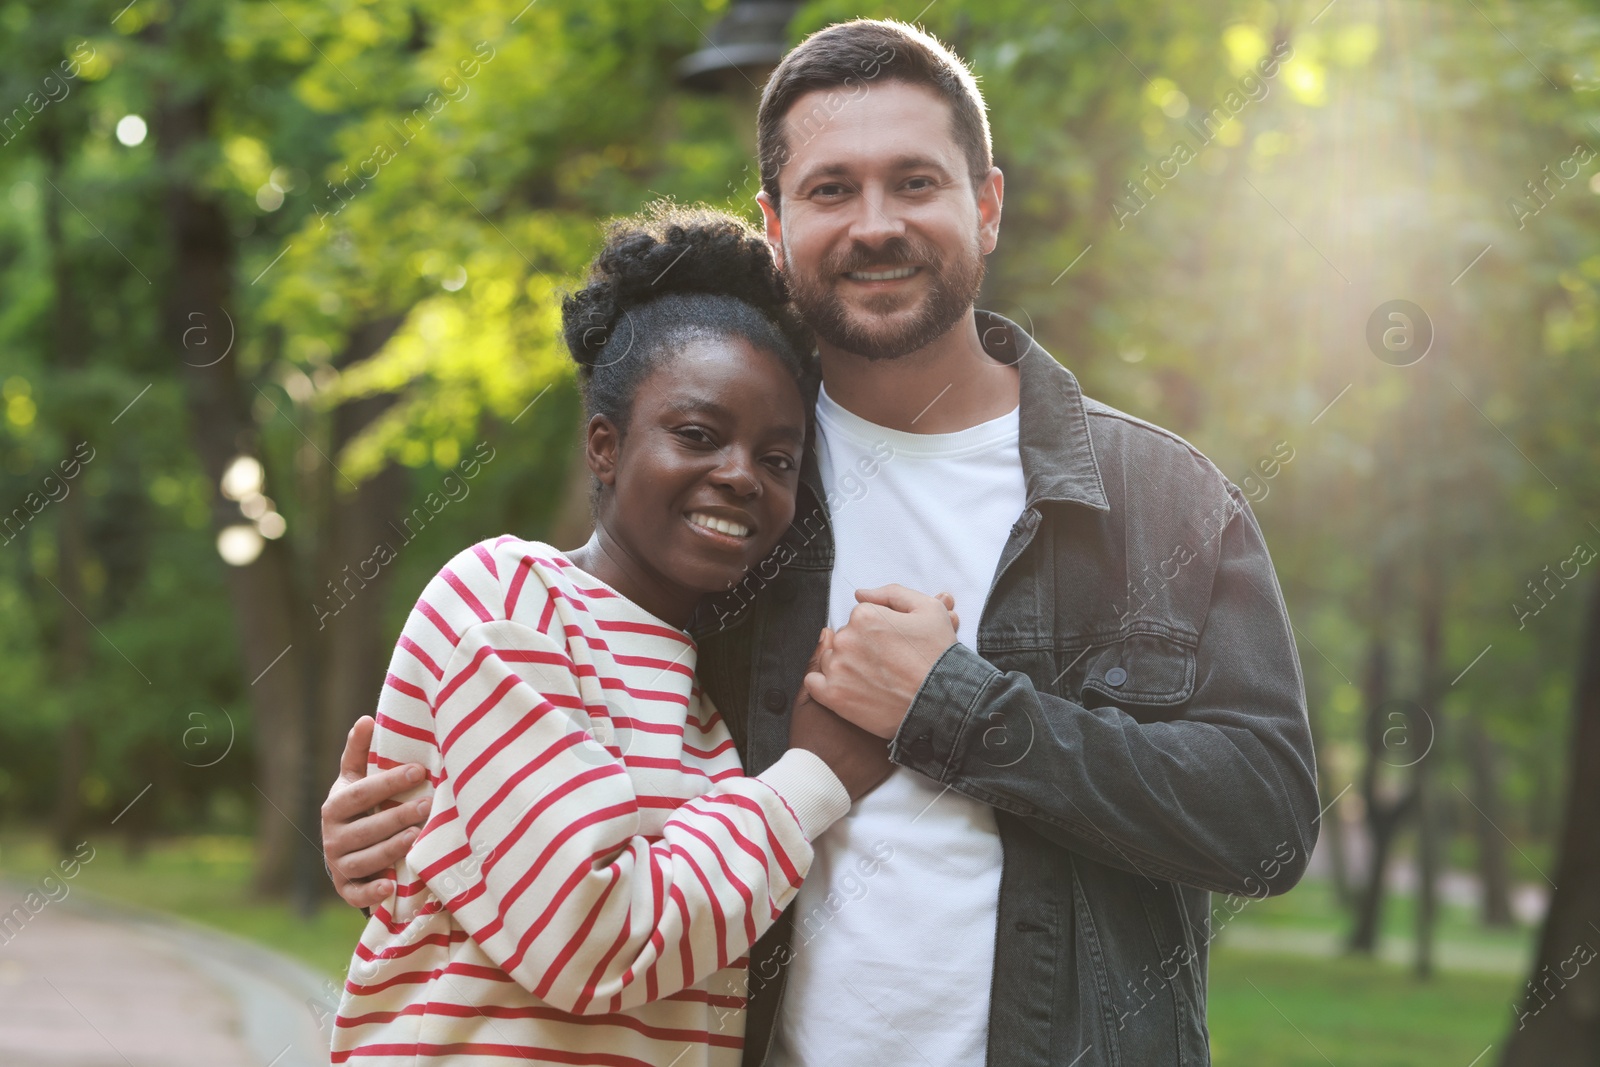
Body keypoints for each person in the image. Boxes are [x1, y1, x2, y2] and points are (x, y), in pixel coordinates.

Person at [324, 19, 1320, 1067]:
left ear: (985, 207)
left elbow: (1264, 824)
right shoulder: (728, 489)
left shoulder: (1158, 497)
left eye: (916, 183)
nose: (875, 223)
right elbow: (579, 736)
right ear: (776, 222)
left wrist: (957, 708)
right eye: (831, 189)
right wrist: (419, 834)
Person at [329, 205, 942, 1065]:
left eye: (778, 459)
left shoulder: (714, 697)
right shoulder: (508, 596)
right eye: (697, 434)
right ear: (606, 445)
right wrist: (816, 776)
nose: (739, 476)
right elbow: (590, 941)